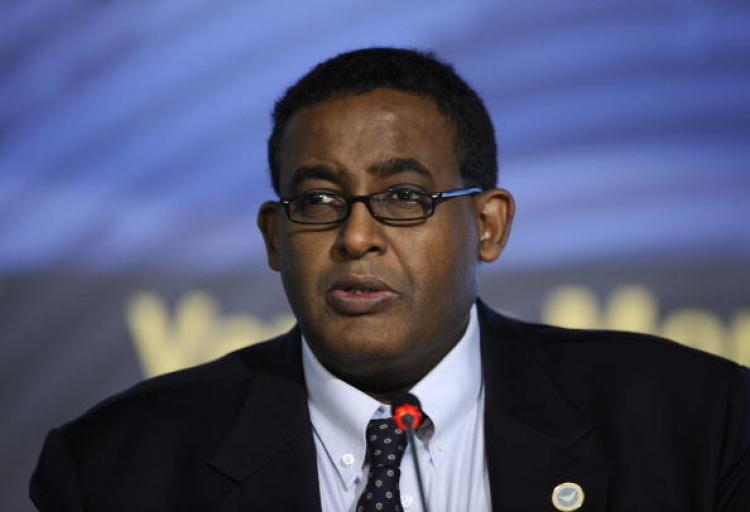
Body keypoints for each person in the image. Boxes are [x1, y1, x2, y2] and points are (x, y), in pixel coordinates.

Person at [30, 47, 749, 512]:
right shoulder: (114, 470)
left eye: (405, 197)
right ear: (276, 239)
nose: (357, 236)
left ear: (489, 226)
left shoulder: (697, 424)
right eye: (317, 202)